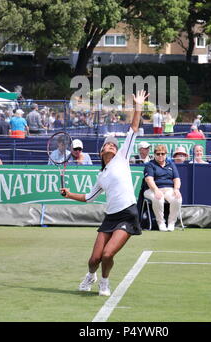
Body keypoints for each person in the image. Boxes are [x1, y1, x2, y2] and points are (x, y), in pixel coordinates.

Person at [60, 90, 149, 297]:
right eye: (107, 144)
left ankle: (104, 282)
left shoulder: (122, 158)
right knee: (94, 260)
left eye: (114, 145)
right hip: (110, 217)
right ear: (102, 152)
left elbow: (134, 129)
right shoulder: (101, 175)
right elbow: (89, 198)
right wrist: (69, 194)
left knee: (108, 254)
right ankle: (90, 276)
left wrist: (137, 106)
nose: (111, 145)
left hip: (128, 214)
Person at [143, 144, 182, 232]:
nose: (160, 156)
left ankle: (171, 223)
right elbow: (149, 180)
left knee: (177, 198)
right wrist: (156, 190)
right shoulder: (150, 165)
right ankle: (161, 223)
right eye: (158, 154)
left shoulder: (171, 164)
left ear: (166, 154)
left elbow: (177, 179)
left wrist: (176, 189)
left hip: (169, 189)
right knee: (159, 198)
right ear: (154, 154)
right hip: (151, 189)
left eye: (162, 154)